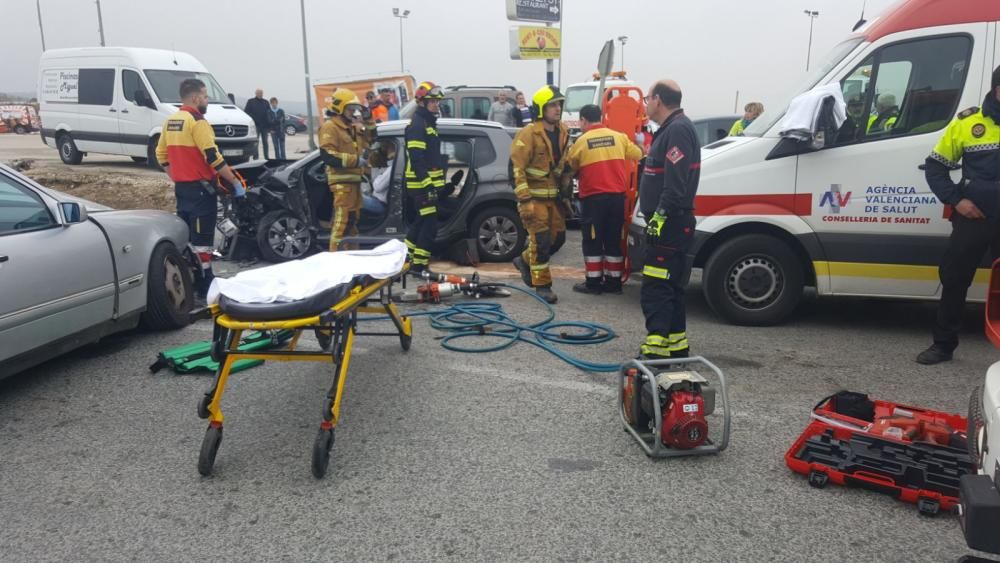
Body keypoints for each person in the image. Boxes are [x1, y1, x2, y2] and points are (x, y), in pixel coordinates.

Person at [917, 66, 1000, 365]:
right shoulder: (968, 124)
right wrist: (957, 200)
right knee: (954, 279)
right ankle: (943, 345)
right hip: (974, 217)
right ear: (996, 89)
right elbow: (935, 167)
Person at [155, 78, 245, 300]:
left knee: (186, 239)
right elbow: (213, 157)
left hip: (183, 190)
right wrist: (235, 182)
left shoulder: (171, 120)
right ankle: (205, 287)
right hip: (202, 191)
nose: (206, 100)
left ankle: (189, 281)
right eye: (205, 96)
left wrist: (177, 176)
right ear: (195, 98)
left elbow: (161, 155)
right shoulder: (198, 122)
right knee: (203, 242)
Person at [637, 80, 701, 359]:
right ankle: (676, 345)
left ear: (658, 100)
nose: (646, 104)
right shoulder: (673, 129)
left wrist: (658, 221)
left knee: (657, 285)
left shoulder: (677, 130)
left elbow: (675, 187)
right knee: (671, 286)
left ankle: (656, 349)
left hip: (670, 223)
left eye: (647, 98)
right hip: (673, 222)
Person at [564, 104, 644, 295]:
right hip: (617, 199)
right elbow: (639, 154)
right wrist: (640, 141)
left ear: (583, 120)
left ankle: (593, 284)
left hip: (593, 200)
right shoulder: (619, 137)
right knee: (612, 240)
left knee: (592, 240)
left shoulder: (581, 142)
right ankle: (613, 283)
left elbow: (570, 168)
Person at [510, 85, 572, 304]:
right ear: (541, 109)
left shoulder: (564, 131)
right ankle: (543, 285)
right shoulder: (528, 134)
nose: (557, 109)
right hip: (533, 199)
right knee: (541, 242)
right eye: (552, 105)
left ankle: (524, 260)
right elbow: (516, 169)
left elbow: (564, 166)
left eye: (559, 104)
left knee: (558, 239)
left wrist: (566, 193)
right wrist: (524, 200)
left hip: (553, 198)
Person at [318, 88, 374, 251]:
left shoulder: (352, 128)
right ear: (339, 108)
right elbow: (328, 156)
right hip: (342, 185)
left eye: (355, 109)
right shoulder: (330, 128)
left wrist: (368, 118)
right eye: (350, 109)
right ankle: (335, 258)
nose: (353, 113)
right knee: (341, 224)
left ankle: (352, 257)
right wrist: (356, 160)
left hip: (355, 183)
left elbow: (372, 138)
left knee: (352, 224)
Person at [403, 81, 447, 276]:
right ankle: (418, 266)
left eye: (437, 101)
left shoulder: (428, 122)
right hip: (420, 185)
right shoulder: (417, 125)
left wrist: (442, 186)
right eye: (432, 101)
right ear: (422, 102)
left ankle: (406, 258)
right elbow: (417, 159)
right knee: (429, 225)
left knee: (422, 222)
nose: (436, 105)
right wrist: (428, 184)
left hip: (427, 185)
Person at [244, 88, 271, 159]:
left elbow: (269, 114)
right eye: (259, 93)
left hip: (264, 126)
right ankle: (255, 157)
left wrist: (269, 127)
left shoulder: (266, 102)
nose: (260, 94)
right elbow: (247, 112)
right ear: (256, 93)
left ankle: (266, 157)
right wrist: (254, 119)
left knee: (265, 142)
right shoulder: (251, 101)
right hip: (255, 126)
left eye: (261, 93)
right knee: (256, 142)